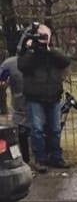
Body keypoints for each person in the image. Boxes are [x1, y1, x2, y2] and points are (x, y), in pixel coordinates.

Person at [17, 23, 71, 171]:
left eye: (46, 35)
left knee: (55, 129)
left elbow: (65, 60)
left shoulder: (53, 52)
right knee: (37, 129)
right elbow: (22, 66)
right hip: (35, 97)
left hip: (53, 96)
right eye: (40, 35)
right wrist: (32, 50)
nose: (43, 38)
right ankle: (40, 159)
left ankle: (57, 157)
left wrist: (49, 50)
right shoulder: (28, 52)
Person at [0, 54, 30, 162]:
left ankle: (33, 157)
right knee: (19, 132)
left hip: (36, 100)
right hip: (20, 103)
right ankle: (21, 158)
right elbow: (2, 78)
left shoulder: (39, 58)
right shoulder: (10, 63)